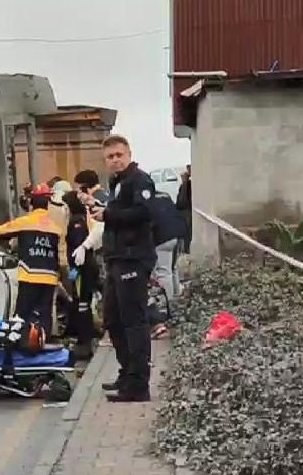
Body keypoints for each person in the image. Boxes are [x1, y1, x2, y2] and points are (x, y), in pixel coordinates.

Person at [79, 135, 157, 403]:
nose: (115, 160)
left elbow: (143, 213)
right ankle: (127, 373)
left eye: (119, 155)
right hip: (115, 258)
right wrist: (102, 210)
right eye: (110, 157)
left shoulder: (139, 180)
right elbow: (120, 214)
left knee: (134, 321)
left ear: (128, 154)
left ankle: (138, 384)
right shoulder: (117, 184)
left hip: (133, 258)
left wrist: (108, 215)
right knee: (112, 319)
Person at [0, 183, 64, 335]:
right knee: (45, 314)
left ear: (32, 203)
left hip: (30, 275)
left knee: (23, 314)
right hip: (49, 277)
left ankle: (21, 342)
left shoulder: (25, 222)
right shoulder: (55, 227)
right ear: (47, 204)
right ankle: (43, 342)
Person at [61, 190, 99, 360]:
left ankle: (84, 343)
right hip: (84, 269)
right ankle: (85, 339)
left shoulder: (76, 222)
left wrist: (74, 271)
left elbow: (77, 248)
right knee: (82, 304)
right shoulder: (81, 218)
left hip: (82, 270)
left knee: (81, 304)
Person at [176, 165, 192, 253]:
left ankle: (187, 249)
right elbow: (180, 203)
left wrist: (185, 183)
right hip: (184, 213)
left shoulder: (189, 185)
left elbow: (184, 201)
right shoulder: (184, 186)